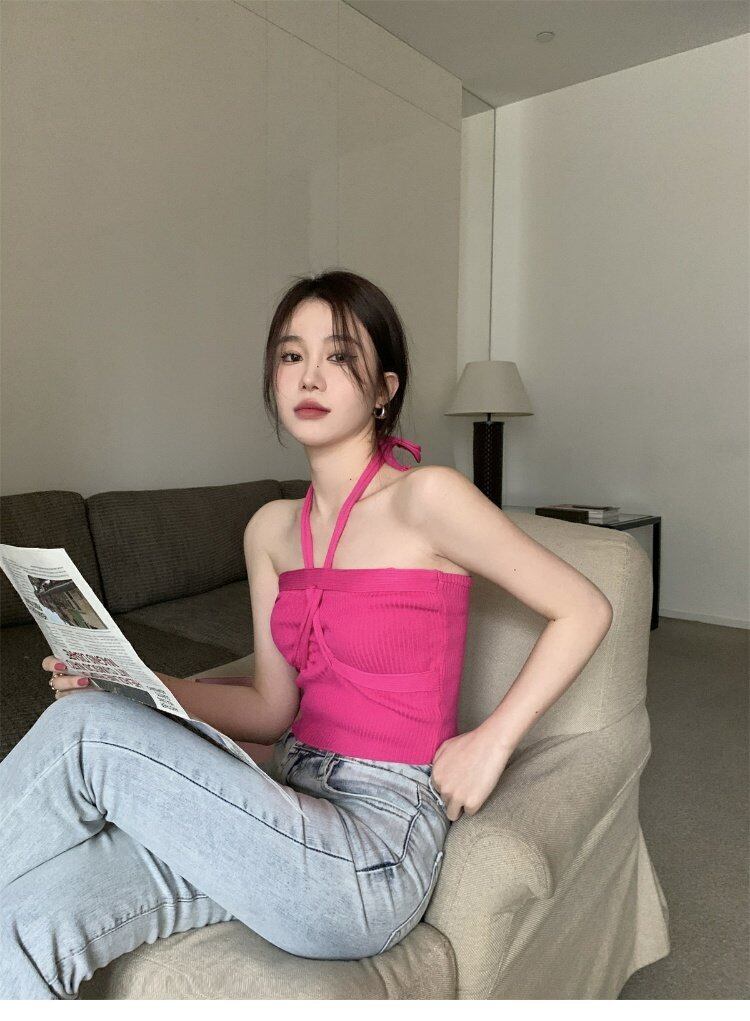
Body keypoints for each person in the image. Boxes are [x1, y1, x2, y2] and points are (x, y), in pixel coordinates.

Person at [0, 270, 613, 998]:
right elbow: (270, 709)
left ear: (383, 388)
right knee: (24, 919)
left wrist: (492, 740)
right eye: (292, 355)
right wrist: (139, 686)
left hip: (371, 853)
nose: (310, 375)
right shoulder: (270, 530)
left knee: (83, 730)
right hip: (277, 805)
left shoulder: (429, 498)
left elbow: (584, 608)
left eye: (340, 356)